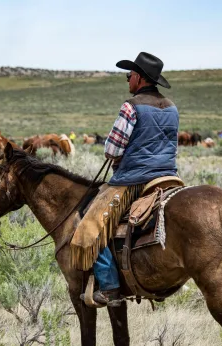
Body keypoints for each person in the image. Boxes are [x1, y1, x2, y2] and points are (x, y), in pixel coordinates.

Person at [71, 52, 178, 307]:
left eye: (129, 75)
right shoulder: (172, 106)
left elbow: (113, 150)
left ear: (139, 78)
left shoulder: (131, 106)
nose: (127, 79)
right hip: (168, 178)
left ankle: (109, 287)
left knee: (90, 225)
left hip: (134, 180)